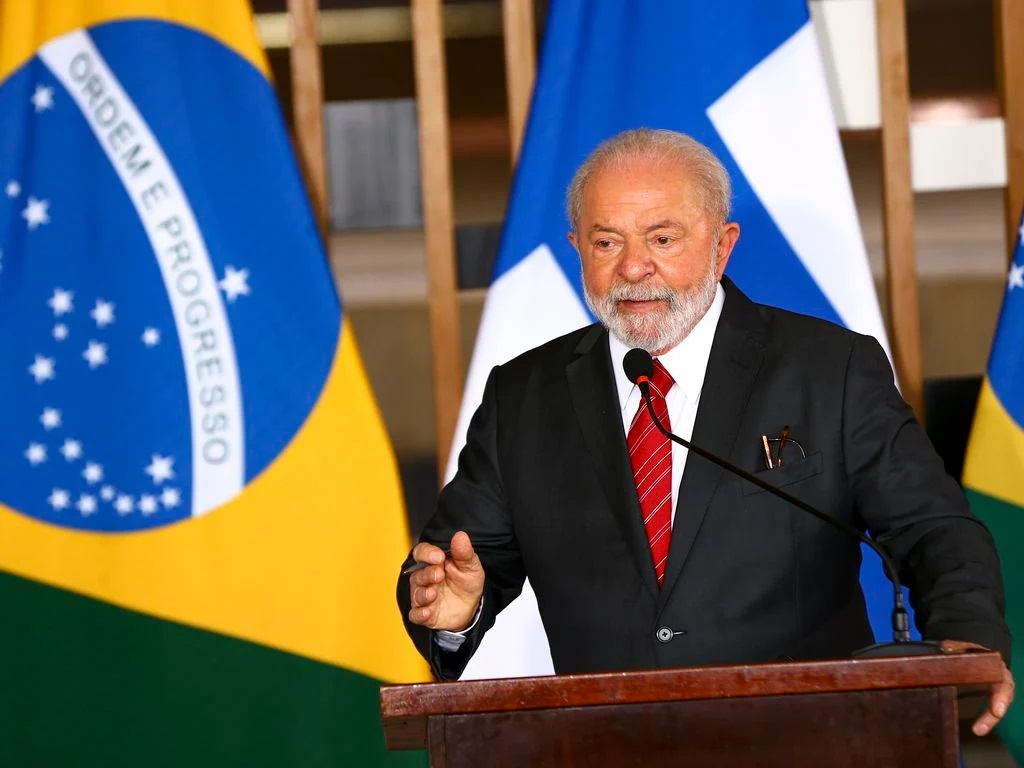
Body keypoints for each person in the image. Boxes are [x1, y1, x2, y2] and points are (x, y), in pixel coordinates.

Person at [397, 128, 1013, 735]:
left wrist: (968, 638)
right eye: (606, 241)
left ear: (722, 246)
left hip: (811, 739)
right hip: (608, 746)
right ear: (576, 247)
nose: (633, 266)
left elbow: (932, 528)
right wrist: (452, 612)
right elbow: (451, 565)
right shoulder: (524, 396)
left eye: (662, 238)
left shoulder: (829, 369)